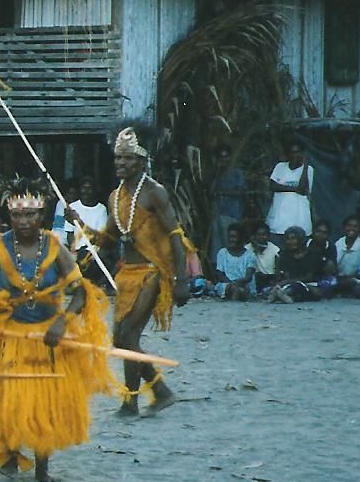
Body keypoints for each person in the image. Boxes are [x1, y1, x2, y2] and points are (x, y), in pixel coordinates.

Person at [0, 178, 117, 482]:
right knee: (12, 393)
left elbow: (79, 292)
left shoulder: (54, 247)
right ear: (9, 216)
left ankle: (42, 468)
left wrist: (62, 321)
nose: (24, 222)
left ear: (42, 215)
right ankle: (9, 451)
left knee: (44, 398)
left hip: (48, 335)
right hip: (11, 332)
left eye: (31, 215)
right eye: (18, 216)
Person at [82, 126, 189, 418]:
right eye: (117, 159)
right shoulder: (115, 197)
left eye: (127, 159)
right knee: (123, 339)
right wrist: (80, 223)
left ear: (141, 162)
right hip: (127, 273)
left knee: (126, 335)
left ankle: (143, 397)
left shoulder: (155, 193)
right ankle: (143, 397)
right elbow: (110, 240)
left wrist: (181, 279)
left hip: (152, 271)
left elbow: (175, 234)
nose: (120, 164)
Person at [64, 176, 112, 287]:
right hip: (76, 249)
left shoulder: (101, 209)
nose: (86, 191)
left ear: (95, 191)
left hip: (93, 249)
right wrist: (73, 249)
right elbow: (69, 233)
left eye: (89, 188)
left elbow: (100, 237)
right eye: (83, 188)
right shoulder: (72, 207)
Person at [267, 140, 314, 235]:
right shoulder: (280, 167)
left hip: (299, 220)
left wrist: (305, 165)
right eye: (291, 152)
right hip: (279, 220)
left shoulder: (308, 169)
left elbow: (302, 189)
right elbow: (273, 186)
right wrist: (293, 189)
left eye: (297, 152)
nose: (294, 155)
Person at [209, 146, 247, 258]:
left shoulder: (236, 173)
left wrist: (221, 192)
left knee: (233, 246)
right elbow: (211, 192)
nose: (224, 160)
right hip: (217, 215)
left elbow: (240, 192)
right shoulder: (214, 174)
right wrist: (217, 173)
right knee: (217, 248)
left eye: (226, 157)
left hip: (233, 215)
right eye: (221, 158)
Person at [269, 227, 324, 303]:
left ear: (301, 240)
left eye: (293, 238)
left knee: (314, 292)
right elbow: (287, 275)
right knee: (287, 287)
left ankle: (285, 296)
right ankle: (285, 295)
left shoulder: (312, 254)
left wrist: (287, 282)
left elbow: (309, 277)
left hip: (309, 284)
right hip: (291, 283)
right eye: (287, 239)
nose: (290, 241)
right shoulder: (283, 255)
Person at [213, 223, 256, 301]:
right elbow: (220, 274)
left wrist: (238, 283)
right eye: (229, 237)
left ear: (242, 238)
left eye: (234, 237)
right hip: (227, 284)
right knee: (233, 289)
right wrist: (232, 284)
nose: (231, 240)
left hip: (244, 284)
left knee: (241, 290)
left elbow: (248, 277)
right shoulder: (222, 253)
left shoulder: (250, 255)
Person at [334, 215, 360, 296]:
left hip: (355, 279)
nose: (352, 229)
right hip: (339, 277)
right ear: (344, 227)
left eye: (355, 226)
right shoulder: (338, 244)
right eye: (349, 226)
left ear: (359, 229)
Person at [249, 224, 281, 296]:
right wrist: (255, 248)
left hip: (270, 277)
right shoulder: (248, 248)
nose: (261, 237)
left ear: (268, 236)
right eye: (258, 234)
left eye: (264, 235)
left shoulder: (275, 249)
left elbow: (277, 270)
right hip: (256, 277)